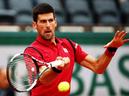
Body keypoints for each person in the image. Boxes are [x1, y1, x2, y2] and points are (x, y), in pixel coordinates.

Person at [25, 3, 129, 96]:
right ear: (35, 25)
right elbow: (43, 78)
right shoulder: (31, 51)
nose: (48, 25)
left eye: (50, 20)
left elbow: (98, 67)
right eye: (43, 21)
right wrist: (57, 68)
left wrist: (111, 49)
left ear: (55, 22)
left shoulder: (68, 44)